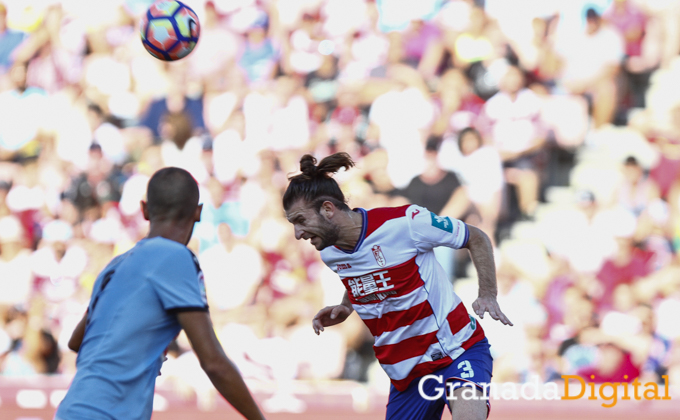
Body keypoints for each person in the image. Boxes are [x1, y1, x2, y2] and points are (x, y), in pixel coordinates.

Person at [283, 153, 513, 420]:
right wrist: (347, 306)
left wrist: (488, 293)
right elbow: (362, 273)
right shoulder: (330, 253)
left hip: (457, 350)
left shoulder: (406, 223)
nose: (298, 234)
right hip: (407, 374)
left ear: (327, 209)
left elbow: (476, 236)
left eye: (300, 220)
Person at [55, 167, 265, 420]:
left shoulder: (115, 265)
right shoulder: (177, 258)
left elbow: (77, 341)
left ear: (144, 210)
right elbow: (213, 362)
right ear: (197, 213)